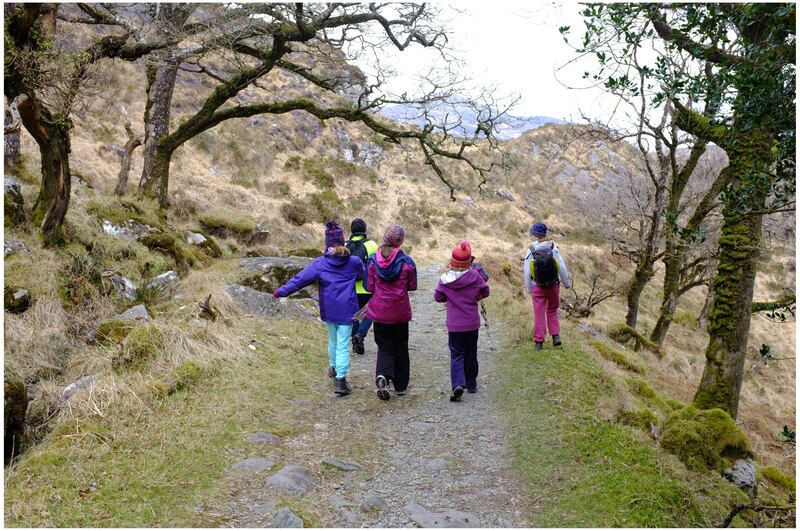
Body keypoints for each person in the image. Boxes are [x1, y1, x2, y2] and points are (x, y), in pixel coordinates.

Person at [274, 221, 364, 396]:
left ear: (327, 243)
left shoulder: (320, 263)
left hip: (329, 309)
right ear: (343, 241)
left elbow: (299, 280)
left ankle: (333, 367)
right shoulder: (354, 261)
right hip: (348, 309)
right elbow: (363, 275)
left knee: (333, 340)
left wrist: (281, 291)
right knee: (343, 344)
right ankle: (340, 380)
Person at [365, 223, 417, 401]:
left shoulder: (373, 260)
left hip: (380, 312)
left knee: (384, 346)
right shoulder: (407, 262)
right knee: (401, 347)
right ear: (400, 241)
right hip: (400, 311)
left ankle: (382, 375)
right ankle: (401, 386)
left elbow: (368, 286)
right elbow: (413, 286)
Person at [434, 241, 491, 402]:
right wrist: (476, 296)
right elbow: (485, 291)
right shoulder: (475, 276)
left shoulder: (445, 279)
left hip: (454, 325)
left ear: (452, 261)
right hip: (472, 323)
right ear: (469, 262)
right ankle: (471, 383)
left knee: (456, 354)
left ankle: (458, 384)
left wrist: (448, 297)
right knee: (471, 352)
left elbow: (437, 297)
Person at [523, 222, 571, 351]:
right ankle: (556, 336)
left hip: (537, 286)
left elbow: (527, 271)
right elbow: (561, 265)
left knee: (539, 313)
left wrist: (528, 288)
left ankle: (539, 342)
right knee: (552, 309)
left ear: (534, 235)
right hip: (553, 284)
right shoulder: (553, 246)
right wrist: (566, 283)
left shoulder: (531, 249)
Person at [346, 218, 378, 355]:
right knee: (371, 312)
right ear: (365, 230)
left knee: (352, 315)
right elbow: (377, 265)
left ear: (351, 230)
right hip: (367, 287)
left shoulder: (345, 244)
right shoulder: (372, 245)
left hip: (350, 287)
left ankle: (354, 337)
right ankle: (361, 334)